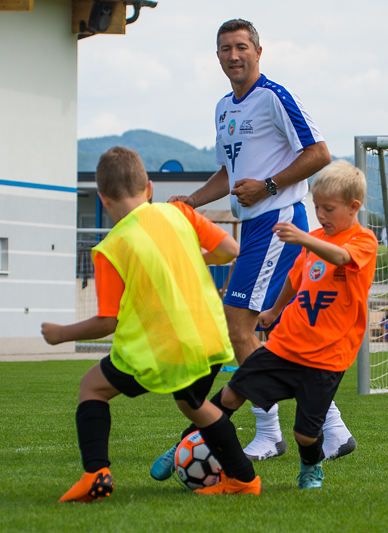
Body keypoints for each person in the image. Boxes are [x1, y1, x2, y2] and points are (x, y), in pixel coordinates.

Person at [165, 18, 354, 465]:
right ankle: (334, 429)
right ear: (217, 56)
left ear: (258, 51)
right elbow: (229, 174)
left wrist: (268, 186)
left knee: (239, 326)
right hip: (254, 228)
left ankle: (269, 434)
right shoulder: (223, 108)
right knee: (280, 337)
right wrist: (191, 201)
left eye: (241, 47)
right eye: (225, 49)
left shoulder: (274, 97)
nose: (234, 55)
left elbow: (319, 153)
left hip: (278, 222)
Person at [41, 146, 261, 501]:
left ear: (103, 199)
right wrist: (196, 258)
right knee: (194, 406)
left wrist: (61, 334)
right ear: (149, 188)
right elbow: (229, 250)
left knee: (92, 388)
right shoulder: (180, 213)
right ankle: (244, 479)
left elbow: (107, 322)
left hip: (159, 348)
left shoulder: (112, 247)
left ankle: (96, 474)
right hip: (208, 338)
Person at [170, 160, 376, 491]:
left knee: (304, 434)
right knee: (232, 393)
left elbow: (340, 258)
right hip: (284, 344)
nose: (321, 215)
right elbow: (295, 280)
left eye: (329, 209)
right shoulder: (314, 240)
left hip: (326, 357)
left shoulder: (363, 241)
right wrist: (273, 310)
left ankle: (311, 466)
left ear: (354, 207)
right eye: (317, 207)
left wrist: (304, 238)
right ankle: (188, 442)